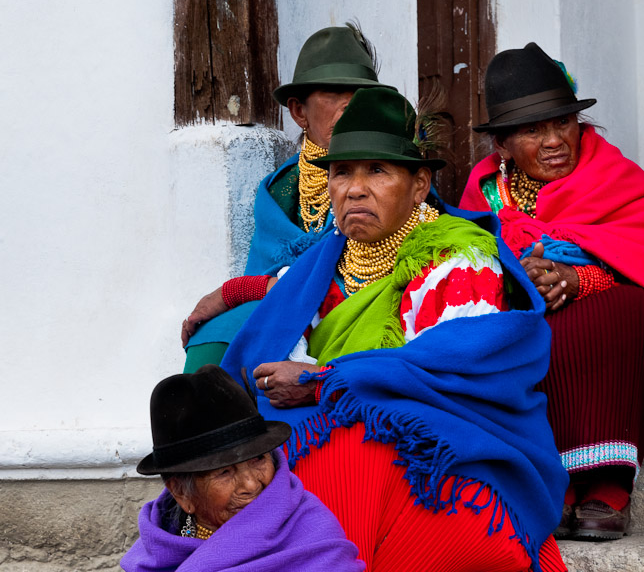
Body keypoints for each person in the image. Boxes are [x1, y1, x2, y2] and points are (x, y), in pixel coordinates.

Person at [219, 87, 568, 572]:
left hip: (449, 447)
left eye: (377, 171)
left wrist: (322, 379)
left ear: (420, 185)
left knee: (352, 451)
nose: (354, 189)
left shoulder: (459, 258)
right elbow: (267, 326)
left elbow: (448, 372)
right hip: (341, 427)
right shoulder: (322, 263)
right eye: (342, 172)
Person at [459, 42, 644, 541]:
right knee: (506, 329)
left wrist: (583, 278)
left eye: (562, 123)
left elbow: (638, 245)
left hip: (606, 317)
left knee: (626, 309)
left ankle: (608, 484)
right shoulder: (483, 193)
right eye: (531, 130)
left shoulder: (616, 178)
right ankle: (550, 482)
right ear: (501, 145)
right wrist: (521, 281)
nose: (554, 141)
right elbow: (466, 262)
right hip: (524, 313)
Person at [182, 24, 392, 373]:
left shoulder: (397, 173)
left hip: (363, 308)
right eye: (333, 93)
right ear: (298, 112)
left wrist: (233, 292)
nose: (349, 106)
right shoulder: (280, 189)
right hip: (286, 306)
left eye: (359, 93)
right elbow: (267, 276)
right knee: (216, 335)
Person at [122, 364, 365, 572]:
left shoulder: (310, 532)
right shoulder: (159, 545)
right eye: (224, 472)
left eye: (258, 459)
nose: (251, 484)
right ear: (181, 493)